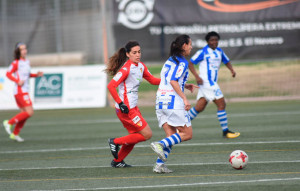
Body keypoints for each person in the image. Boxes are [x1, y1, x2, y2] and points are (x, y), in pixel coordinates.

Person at [105, 41, 160, 168]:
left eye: (139, 52)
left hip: (133, 108)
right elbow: (111, 86)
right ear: (128, 54)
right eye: (134, 52)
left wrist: (170, 81)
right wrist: (120, 103)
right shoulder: (126, 68)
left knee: (135, 136)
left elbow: (152, 80)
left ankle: (117, 161)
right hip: (126, 109)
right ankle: (115, 142)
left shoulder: (141, 66)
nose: (138, 55)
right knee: (147, 134)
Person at [150, 35, 198, 173]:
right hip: (173, 102)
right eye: (190, 44)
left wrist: (185, 85)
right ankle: (159, 144)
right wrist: (184, 98)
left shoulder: (169, 60)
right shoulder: (182, 62)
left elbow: (168, 79)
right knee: (187, 134)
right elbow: (172, 80)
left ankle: (159, 165)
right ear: (184, 46)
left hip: (160, 101)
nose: (191, 47)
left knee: (171, 136)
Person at [187, 31, 240, 138]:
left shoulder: (219, 51)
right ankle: (226, 132)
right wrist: (197, 77)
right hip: (207, 82)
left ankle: (180, 126)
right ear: (207, 42)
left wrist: (232, 70)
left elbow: (226, 61)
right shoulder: (203, 52)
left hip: (211, 83)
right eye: (212, 40)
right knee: (221, 104)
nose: (214, 42)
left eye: (216, 40)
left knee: (199, 108)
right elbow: (190, 63)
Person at [3, 42, 43, 142]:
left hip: (24, 90)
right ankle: (9, 122)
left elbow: (26, 75)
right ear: (18, 51)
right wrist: (17, 81)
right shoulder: (16, 62)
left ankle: (15, 134)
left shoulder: (26, 62)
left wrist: (36, 75)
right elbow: (8, 74)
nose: (24, 51)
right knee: (30, 112)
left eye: (25, 48)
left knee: (24, 114)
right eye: (22, 49)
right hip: (20, 91)